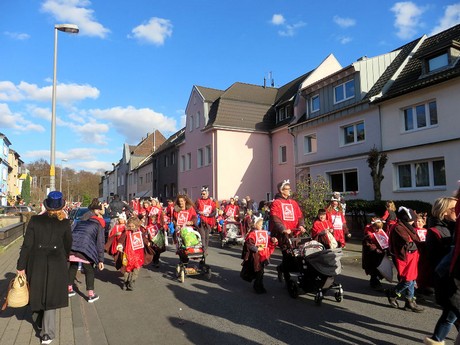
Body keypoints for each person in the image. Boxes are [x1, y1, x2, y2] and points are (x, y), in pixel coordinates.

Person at [16, 191, 72, 345]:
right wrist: (64, 258)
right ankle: (47, 334)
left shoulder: (34, 220)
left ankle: (41, 324)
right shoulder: (65, 223)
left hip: (36, 261)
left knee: (36, 293)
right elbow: (68, 245)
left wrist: (21, 266)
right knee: (51, 298)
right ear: (62, 206)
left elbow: (27, 245)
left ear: (46, 205)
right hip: (57, 263)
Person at [424, 196, 458, 345]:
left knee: (450, 315)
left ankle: (436, 340)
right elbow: (434, 260)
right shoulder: (435, 231)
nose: (457, 211)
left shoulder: (454, 227)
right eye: (454, 208)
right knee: (451, 314)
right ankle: (436, 340)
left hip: (453, 280)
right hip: (447, 281)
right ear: (444, 212)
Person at [386, 206, 424, 312]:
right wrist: (422, 243)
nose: (414, 222)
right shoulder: (399, 228)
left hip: (411, 255)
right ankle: (392, 293)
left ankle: (409, 302)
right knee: (407, 280)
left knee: (412, 279)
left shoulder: (406, 226)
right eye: (412, 220)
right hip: (404, 257)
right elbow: (409, 243)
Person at [67, 198, 105, 303]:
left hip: (73, 246)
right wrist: (100, 260)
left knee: (73, 267)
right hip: (86, 248)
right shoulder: (98, 224)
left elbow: (73, 232)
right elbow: (100, 243)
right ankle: (91, 295)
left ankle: (69, 289)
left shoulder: (82, 221)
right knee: (89, 271)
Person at [269, 179, 306, 282]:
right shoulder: (276, 203)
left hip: (295, 233)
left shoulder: (293, 202)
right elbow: (275, 217)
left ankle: (281, 268)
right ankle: (287, 278)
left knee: (296, 255)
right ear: (281, 191)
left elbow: (300, 216)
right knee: (286, 254)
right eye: (287, 189)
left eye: (289, 189)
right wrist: (283, 229)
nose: (289, 191)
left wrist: (302, 225)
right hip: (283, 234)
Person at [241, 216, 278, 294]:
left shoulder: (263, 233)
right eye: (260, 225)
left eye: (262, 224)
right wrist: (257, 249)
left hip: (262, 255)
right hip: (255, 256)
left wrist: (272, 240)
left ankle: (259, 285)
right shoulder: (252, 234)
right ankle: (257, 286)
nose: (262, 226)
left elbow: (268, 240)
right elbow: (249, 244)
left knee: (261, 271)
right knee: (259, 271)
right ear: (255, 225)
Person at [114, 216, 149, 291]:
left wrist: (147, 242)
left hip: (138, 255)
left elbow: (144, 238)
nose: (131, 227)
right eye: (130, 226)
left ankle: (132, 282)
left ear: (136, 225)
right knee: (127, 269)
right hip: (128, 253)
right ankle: (125, 282)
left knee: (137, 268)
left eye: (133, 226)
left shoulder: (139, 232)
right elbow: (121, 239)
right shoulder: (126, 232)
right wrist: (120, 245)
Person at [362, 218, 389, 289]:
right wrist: (376, 249)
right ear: (372, 226)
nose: (378, 230)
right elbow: (367, 244)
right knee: (374, 270)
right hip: (371, 255)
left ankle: (375, 282)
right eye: (376, 228)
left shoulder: (379, 231)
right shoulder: (368, 233)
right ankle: (375, 284)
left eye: (379, 228)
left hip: (379, 254)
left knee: (379, 269)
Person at [195, 186, 216, 254]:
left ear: (207, 194)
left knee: (207, 236)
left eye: (204, 194)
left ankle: (205, 248)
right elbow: (195, 209)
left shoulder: (211, 202)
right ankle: (203, 248)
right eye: (201, 194)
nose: (202, 195)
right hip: (201, 220)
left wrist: (209, 215)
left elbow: (214, 212)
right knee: (202, 235)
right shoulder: (198, 201)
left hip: (208, 221)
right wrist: (199, 212)